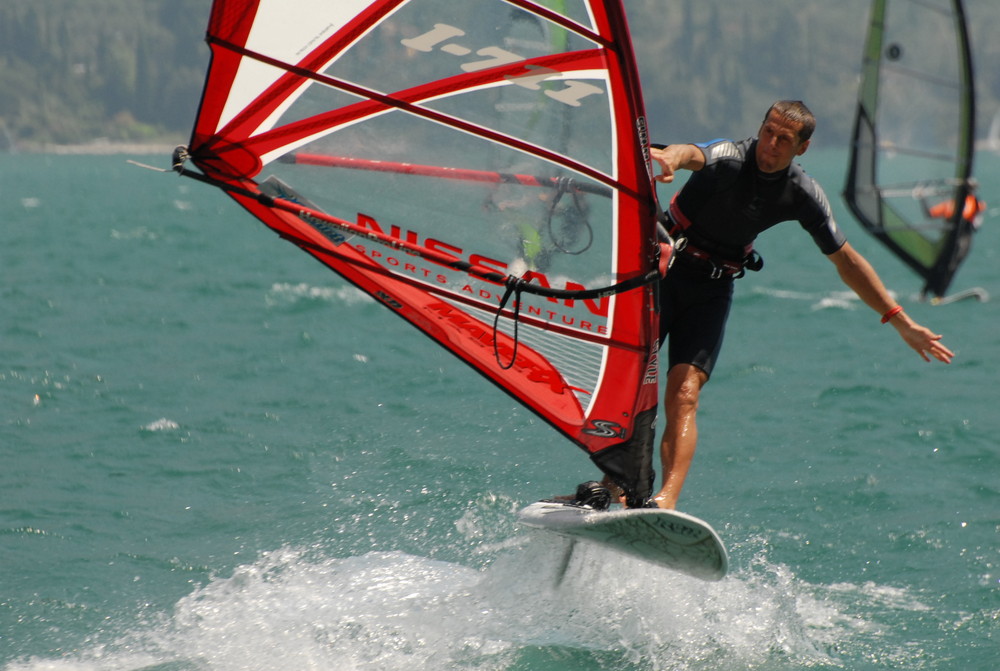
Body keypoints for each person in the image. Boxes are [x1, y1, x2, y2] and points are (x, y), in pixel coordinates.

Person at [641, 100, 955, 510]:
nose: (770, 144)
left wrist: (900, 321)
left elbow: (846, 260)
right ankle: (617, 481)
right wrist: (669, 158)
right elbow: (693, 152)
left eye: (783, 139)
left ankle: (665, 501)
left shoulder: (801, 192)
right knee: (632, 381)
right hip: (663, 270)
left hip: (713, 288)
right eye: (768, 132)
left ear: (801, 148)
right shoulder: (730, 157)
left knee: (685, 393)